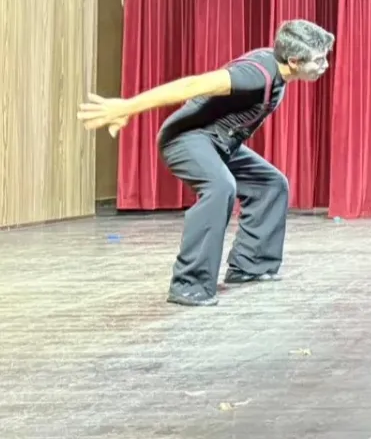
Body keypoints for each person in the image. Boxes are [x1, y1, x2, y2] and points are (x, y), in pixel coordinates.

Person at [77, 20, 335, 307]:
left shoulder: (277, 71)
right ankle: (189, 284)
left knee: (270, 185)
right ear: (294, 61)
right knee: (220, 187)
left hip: (220, 143)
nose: (325, 65)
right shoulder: (254, 74)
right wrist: (126, 107)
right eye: (319, 60)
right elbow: (193, 85)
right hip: (186, 139)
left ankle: (251, 266)